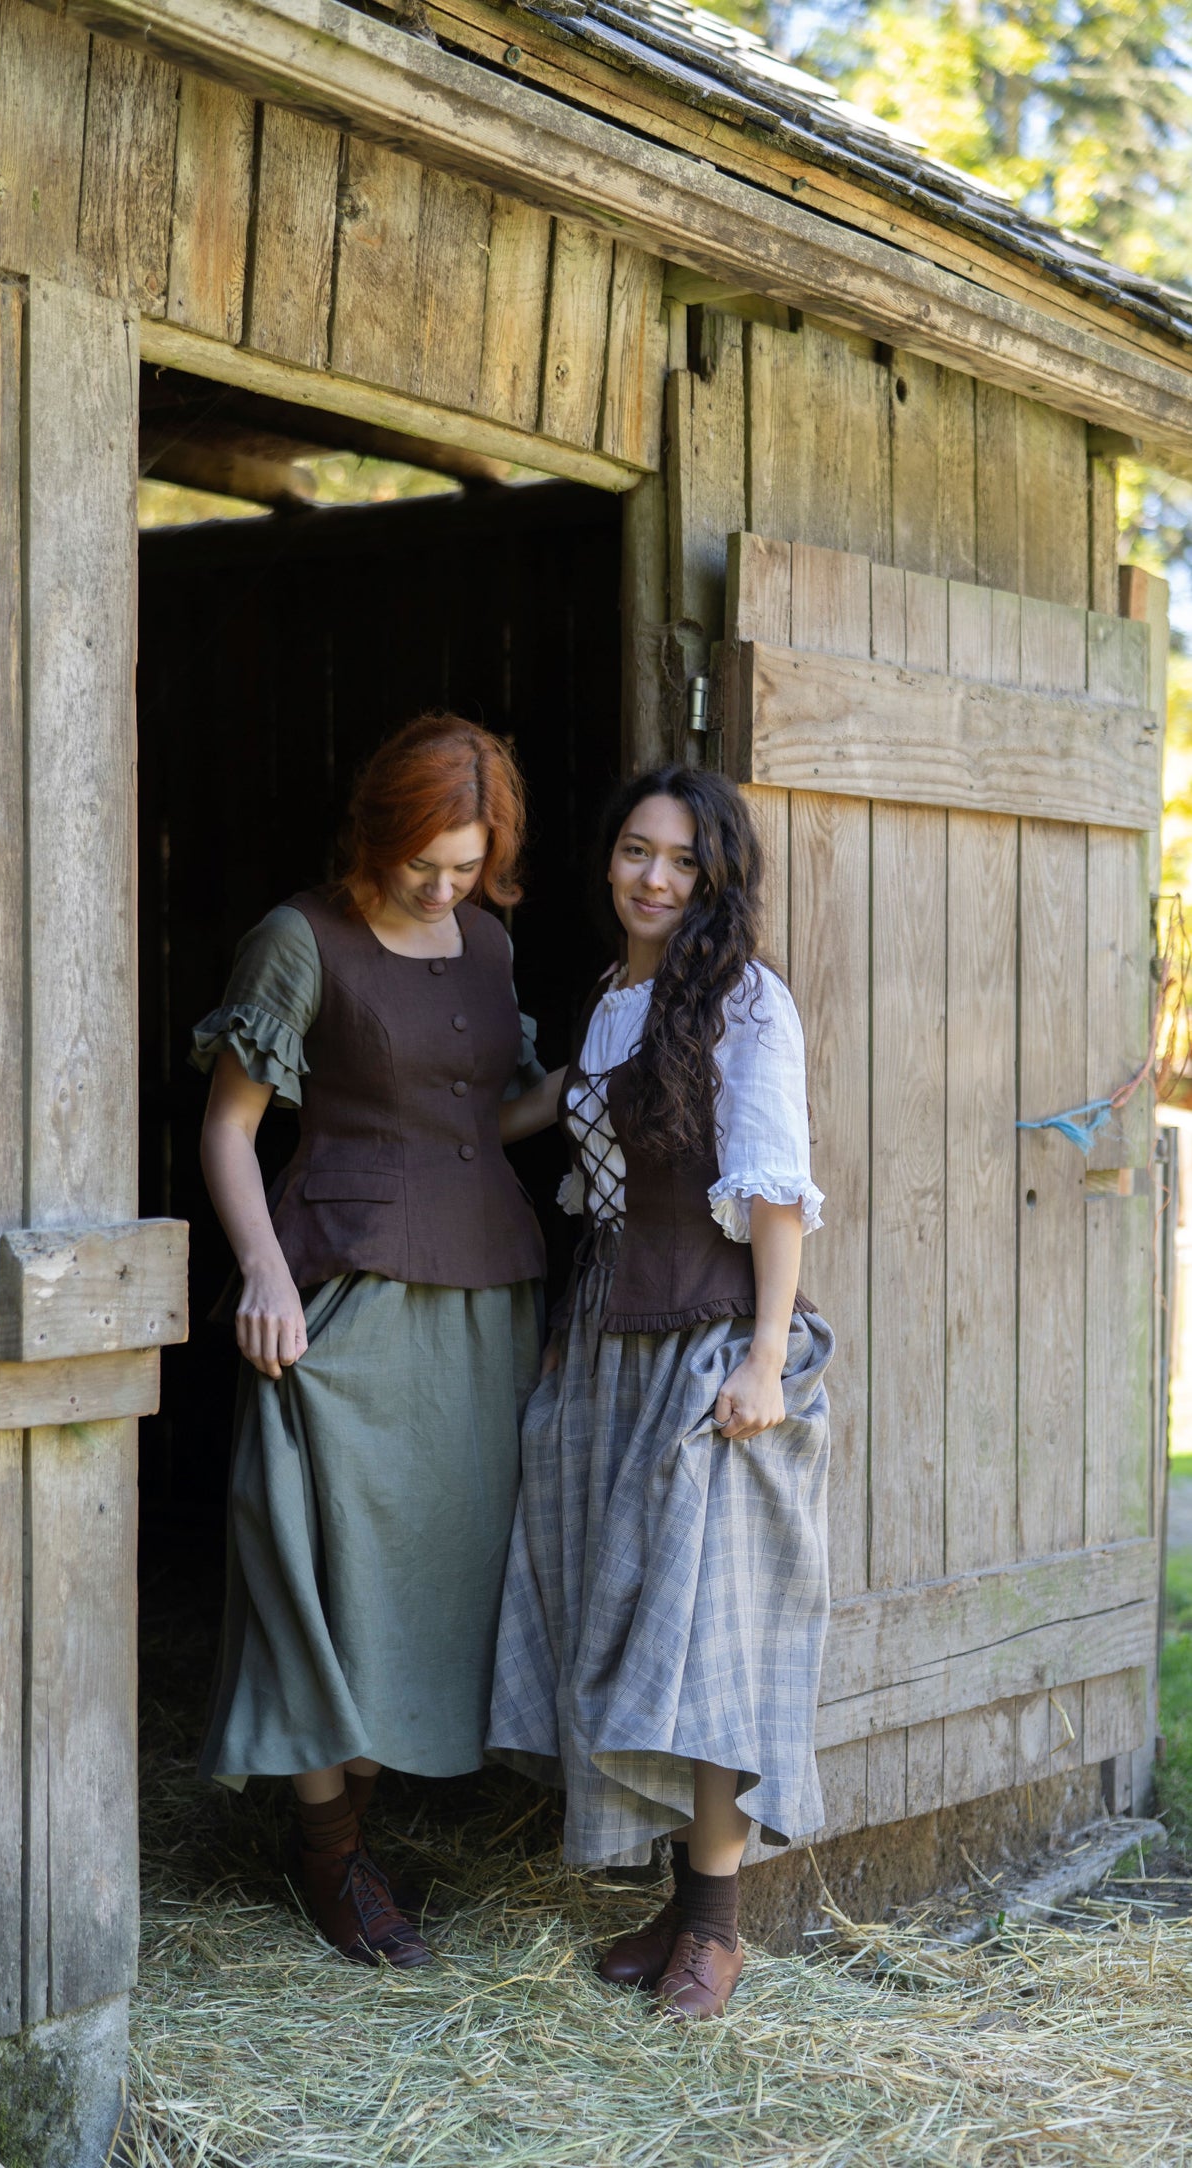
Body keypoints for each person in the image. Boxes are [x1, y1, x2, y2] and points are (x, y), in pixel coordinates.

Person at [192, 713, 546, 1969]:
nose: (446, 886)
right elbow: (229, 1129)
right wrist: (264, 1274)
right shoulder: (300, 940)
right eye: (426, 864)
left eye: (468, 864)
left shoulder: (489, 943)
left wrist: (606, 1064)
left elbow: (479, 1119)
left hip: (488, 1296)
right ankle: (329, 1850)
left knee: (433, 1584)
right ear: (377, 831)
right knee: (317, 1575)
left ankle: (371, 1825)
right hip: (342, 1302)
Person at [490, 763, 832, 2020]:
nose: (650, 876)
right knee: (631, 1621)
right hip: (607, 1341)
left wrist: (762, 1355)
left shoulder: (745, 1000)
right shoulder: (610, 998)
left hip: (706, 1342)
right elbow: (560, 1121)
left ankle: (718, 1937)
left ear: (714, 876)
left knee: (710, 1641)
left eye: (680, 860)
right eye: (634, 850)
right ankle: (683, 1908)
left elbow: (775, 1189)